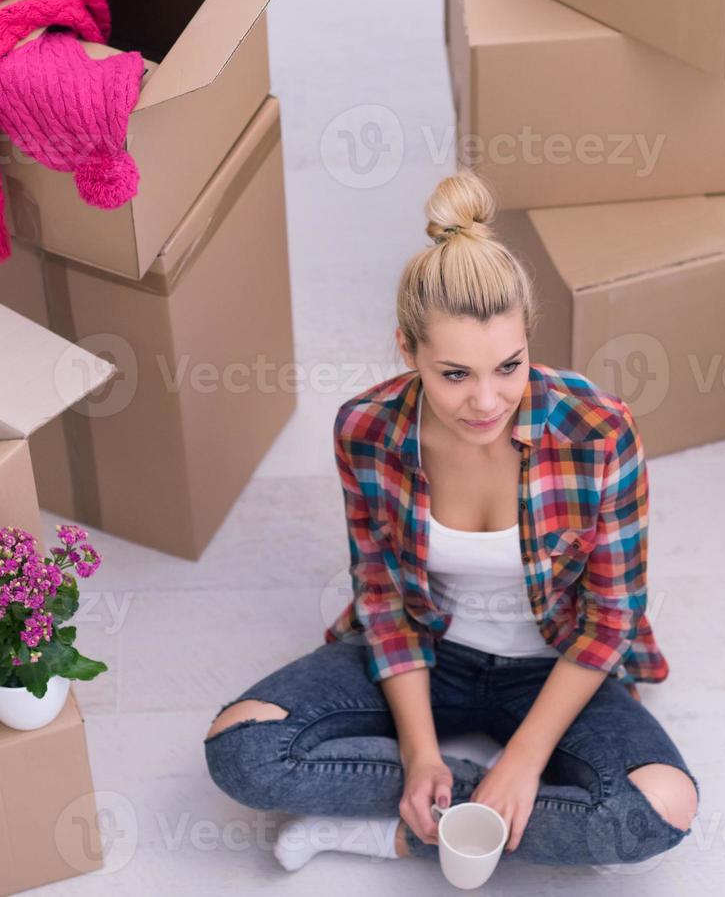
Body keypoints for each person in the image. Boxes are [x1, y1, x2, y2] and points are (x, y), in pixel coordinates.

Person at [203, 169, 698, 871]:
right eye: (454, 374)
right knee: (241, 749)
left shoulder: (597, 429)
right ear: (407, 351)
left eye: (508, 366)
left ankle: (391, 830)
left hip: (550, 664)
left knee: (660, 808)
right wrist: (419, 754)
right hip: (430, 657)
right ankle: (451, 814)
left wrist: (523, 761)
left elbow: (612, 618)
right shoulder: (365, 429)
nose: (486, 401)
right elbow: (380, 598)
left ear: (528, 339)